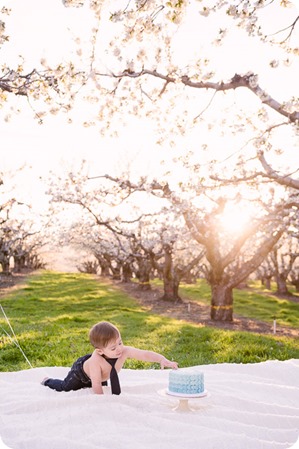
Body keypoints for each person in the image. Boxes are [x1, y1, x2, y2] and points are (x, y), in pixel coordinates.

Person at [41, 321, 178, 395]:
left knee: (105, 385)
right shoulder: (96, 361)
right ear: (100, 351)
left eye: (120, 342)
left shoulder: (123, 351)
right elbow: (96, 384)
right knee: (66, 387)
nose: (119, 348)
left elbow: (144, 354)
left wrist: (162, 359)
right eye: (113, 348)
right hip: (81, 373)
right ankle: (48, 381)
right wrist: (103, 403)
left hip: (103, 375)